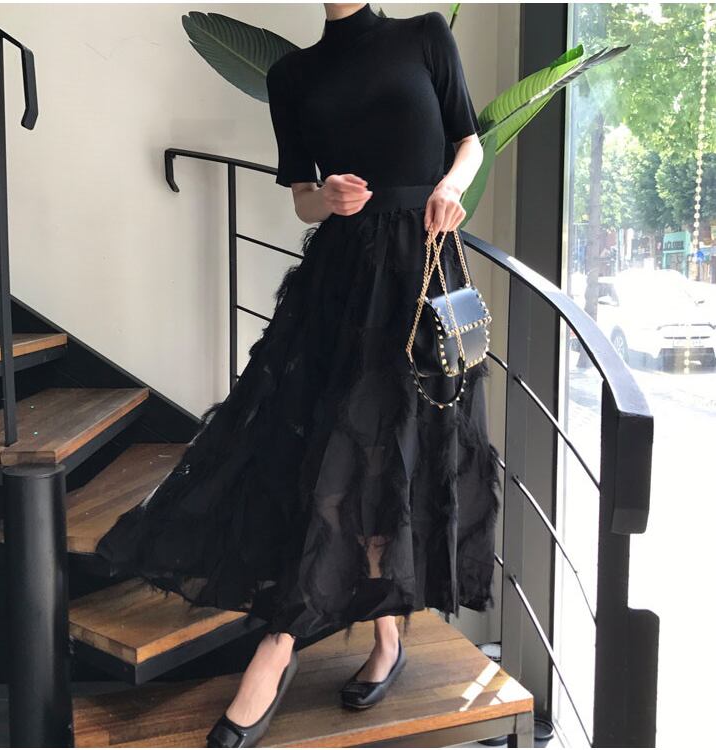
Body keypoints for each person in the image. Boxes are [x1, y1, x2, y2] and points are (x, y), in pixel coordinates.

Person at [96, 3, 501, 747]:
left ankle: (350, 639)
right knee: (327, 452)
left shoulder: (424, 35)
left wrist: (451, 187)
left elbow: (467, 141)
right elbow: (303, 200)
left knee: (391, 453)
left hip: (421, 277)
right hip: (340, 288)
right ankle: (294, 641)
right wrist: (328, 198)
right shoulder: (292, 75)